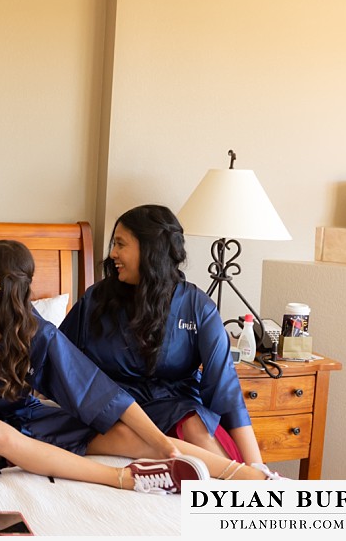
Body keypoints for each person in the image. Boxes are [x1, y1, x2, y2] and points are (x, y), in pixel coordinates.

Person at [0, 240, 281, 492]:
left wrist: (165, 446)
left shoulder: (39, 335)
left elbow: (101, 393)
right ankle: (123, 479)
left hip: (29, 421)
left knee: (125, 436)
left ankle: (242, 476)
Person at [59, 204, 277, 478]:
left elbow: (225, 390)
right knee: (123, 430)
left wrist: (256, 462)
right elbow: (58, 360)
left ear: (151, 250)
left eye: (120, 244)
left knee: (196, 425)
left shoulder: (198, 307)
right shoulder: (96, 300)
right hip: (116, 409)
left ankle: (250, 485)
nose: (112, 253)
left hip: (176, 405)